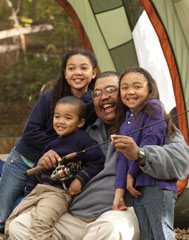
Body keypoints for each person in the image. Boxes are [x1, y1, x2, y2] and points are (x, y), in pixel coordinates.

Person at [7, 71, 189, 240]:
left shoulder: (150, 124)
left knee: (111, 228)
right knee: (20, 226)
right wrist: (46, 163)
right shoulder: (82, 132)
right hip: (73, 216)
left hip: (120, 213)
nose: (104, 97)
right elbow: (54, 175)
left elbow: (182, 161)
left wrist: (140, 154)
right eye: (97, 93)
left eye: (111, 90)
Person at [0, 48, 98, 233]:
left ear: (93, 73)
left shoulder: (92, 105)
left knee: (28, 212)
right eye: (71, 68)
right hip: (23, 160)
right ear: (65, 73)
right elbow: (30, 132)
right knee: (2, 214)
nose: (77, 72)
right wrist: (55, 149)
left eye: (83, 68)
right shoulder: (49, 98)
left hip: (50, 171)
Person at [5, 96, 105, 240]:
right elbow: (37, 171)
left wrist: (79, 179)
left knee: (41, 224)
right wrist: (28, 190)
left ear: (80, 122)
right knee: (12, 221)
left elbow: (97, 161)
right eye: (57, 116)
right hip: (39, 191)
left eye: (68, 118)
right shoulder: (51, 144)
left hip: (58, 194)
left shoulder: (84, 141)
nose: (61, 121)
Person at [111, 67, 177, 240]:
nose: (130, 92)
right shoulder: (125, 120)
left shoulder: (153, 107)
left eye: (137, 86)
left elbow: (150, 142)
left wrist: (132, 173)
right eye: (124, 88)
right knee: (146, 235)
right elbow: (121, 160)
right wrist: (119, 195)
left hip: (156, 184)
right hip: (138, 190)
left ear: (149, 89)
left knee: (161, 233)